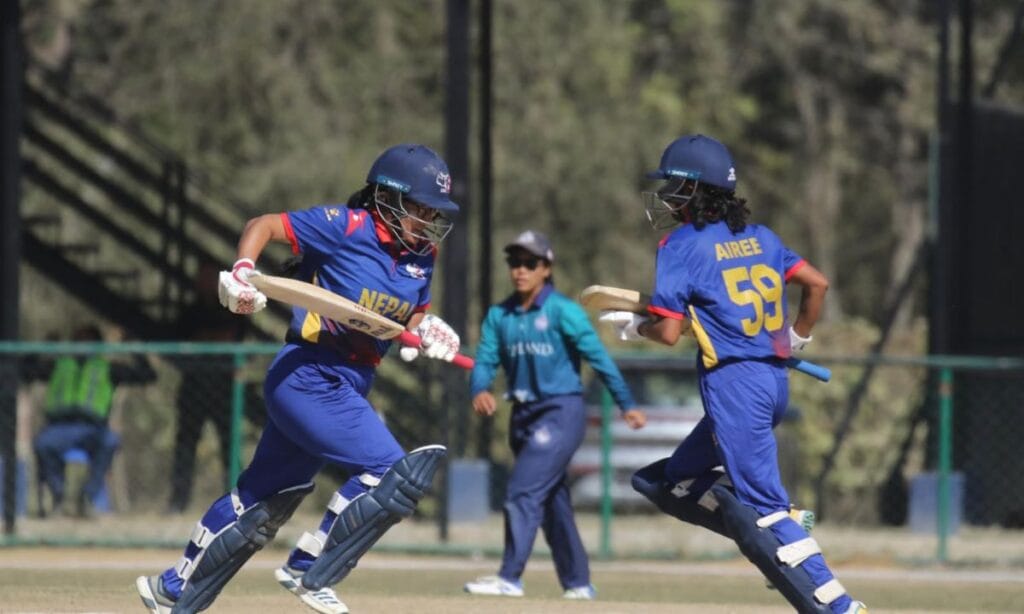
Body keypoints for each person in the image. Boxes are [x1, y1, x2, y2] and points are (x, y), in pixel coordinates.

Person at [136, 143, 464, 614]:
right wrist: (242, 272)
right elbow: (264, 226)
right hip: (309, 374)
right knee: (392, 473)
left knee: (261, 500)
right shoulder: (346, 227)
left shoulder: (422, 256)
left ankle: (172, 589)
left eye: (433, 211)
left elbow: (409, 317)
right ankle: (308, 566)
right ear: (387, 199)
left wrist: (426, 331)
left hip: (352, 380)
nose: (427, 219)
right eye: (419, 208)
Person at [600, 134, 867, 614]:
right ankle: (777, 537)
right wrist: (796, 335)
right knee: (667, 482)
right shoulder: (762, 237)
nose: (664, 198)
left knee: (766, 510)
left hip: (736, 388)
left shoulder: (679, 244)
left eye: (672, 188)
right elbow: (817, 284)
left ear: (694, 191)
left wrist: (637, 328)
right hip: (772, 382)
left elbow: (667, 333)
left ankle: (841, 606)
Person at [463, 230, 647, 600]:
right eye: (515, 263)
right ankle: (578, 583)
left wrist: (626, 404)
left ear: (546, 268)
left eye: (529, 263)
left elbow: (599, 360)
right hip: (523, 415)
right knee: (551, 501)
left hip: (561, 411)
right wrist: (479, 389)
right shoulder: (500, 314)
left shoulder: (564, 311)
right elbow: (484, 360)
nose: (520, 271)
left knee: (521, 493)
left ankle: (509, 577)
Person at [33, 324, 156, 517]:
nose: (83, 345)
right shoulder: (59, 365)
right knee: (43, 444)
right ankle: (59, 499)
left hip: (93, 429)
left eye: (88, 340)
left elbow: (148, 376)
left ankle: (88, 498)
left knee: (110, 441)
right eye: (78, 340)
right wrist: (44, 346)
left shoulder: (108, 368)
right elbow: (24, 370)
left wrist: (134, 348)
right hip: (59, 428)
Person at [165, 259, 253, 514]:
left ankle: (237, 500)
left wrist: (209, 341)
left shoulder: (232, 308)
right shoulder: (189, 312)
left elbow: (236, 339)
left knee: (230, 444)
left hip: (225, 388)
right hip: (193, 386)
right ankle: (178, 502)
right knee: (185, 444)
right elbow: (179, 343)